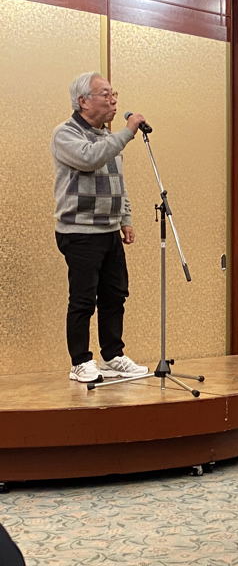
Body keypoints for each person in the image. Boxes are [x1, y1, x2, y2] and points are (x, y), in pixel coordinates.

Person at [52, 72, 150, 383]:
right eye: (105, 94)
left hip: (109, 231)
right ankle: (80, 362)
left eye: (113, 93)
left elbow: (118, 183)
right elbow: (90, 159)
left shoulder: (108, 138)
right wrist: (128, 132)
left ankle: (112, 355)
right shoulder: (65, 134)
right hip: (79, 232)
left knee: (115, 295)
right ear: (83, 101)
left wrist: (125, 218)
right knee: (83, 300)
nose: (113, 100)